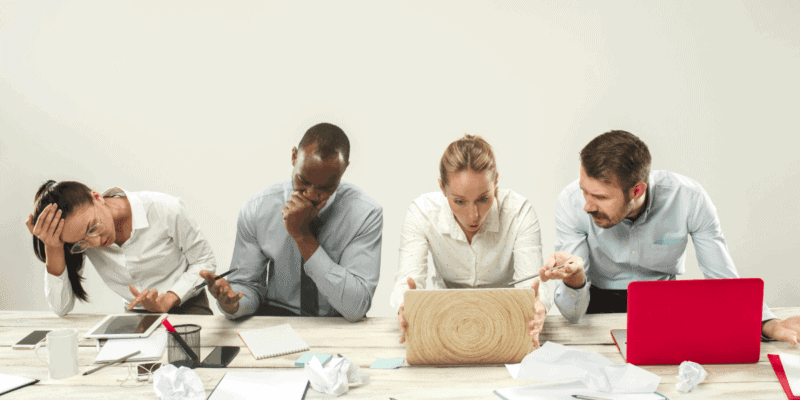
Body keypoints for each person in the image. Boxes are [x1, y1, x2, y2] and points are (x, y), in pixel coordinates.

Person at [541, 130, 800, 344]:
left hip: (665, 307)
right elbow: (572, 315)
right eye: (584, 191)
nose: (587, 205)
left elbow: (722, 279)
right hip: (596, 304)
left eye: (600, 197)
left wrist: (766, 322)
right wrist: (574, 279)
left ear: (637, 190)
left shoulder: (689, 198)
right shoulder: (571, 203)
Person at [200, 123, 382, 322]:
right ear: (294, 156)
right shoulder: (257, 209)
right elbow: (248, 287)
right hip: (277, 318)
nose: (311, 194)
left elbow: (356, 306)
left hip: (339, 320)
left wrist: (302, 236)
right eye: (303, 180)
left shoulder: (366, 214)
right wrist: (234, 304)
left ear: (344, 169)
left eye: (326, 187)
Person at [390, 135, 554, 348]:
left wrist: (537, 305)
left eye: (484, 199)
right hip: (445, 323)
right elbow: (407, 280)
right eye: (459, 201)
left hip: (508, 321)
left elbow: (531, 286)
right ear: (442, 188)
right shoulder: (422, 212)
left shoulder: (519, 212)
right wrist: (406, 305)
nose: (473, 216)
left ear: (495, 182)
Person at [27, 182, 217, 316]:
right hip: (136, 317)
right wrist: (53, 247)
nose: (94, 242)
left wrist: (170, 298)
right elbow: (61, 308)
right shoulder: (81, 239)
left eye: (92, 227)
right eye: (81, 242)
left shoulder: (163, 208)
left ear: (97, 197)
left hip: (187, 305)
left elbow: (204, 261)